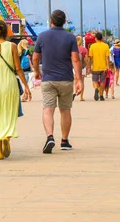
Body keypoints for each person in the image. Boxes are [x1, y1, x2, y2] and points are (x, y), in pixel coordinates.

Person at [32, 10, 82, 153]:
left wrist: (36, 71)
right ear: (64, 21)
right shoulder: (71, 38)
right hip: (66, 79)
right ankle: (65, 141)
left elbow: (35, 58)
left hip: (48, 79)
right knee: (65, 110)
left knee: (48, 109)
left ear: (51, 21)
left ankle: (49, 137)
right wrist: (79, 80)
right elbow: (75, 59)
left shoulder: (42, 36)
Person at [0, 20, 32, 160]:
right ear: (6, 31)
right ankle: (7, 138)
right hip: (10, 85)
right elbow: (18, 68)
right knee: (9, 116)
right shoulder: (12, 46)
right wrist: (26, 87)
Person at [88, 32, 110, 101]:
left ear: (96, 38)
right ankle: (101, 96)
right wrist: (108, 66)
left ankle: (96, 89)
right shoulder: (106, 46)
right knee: (103, 82)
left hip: (95, 67)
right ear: (102, 38)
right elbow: (107, 58)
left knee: (95, 81)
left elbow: (90, 58)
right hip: (103, 67)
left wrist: (89, 67)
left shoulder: (92, 46)